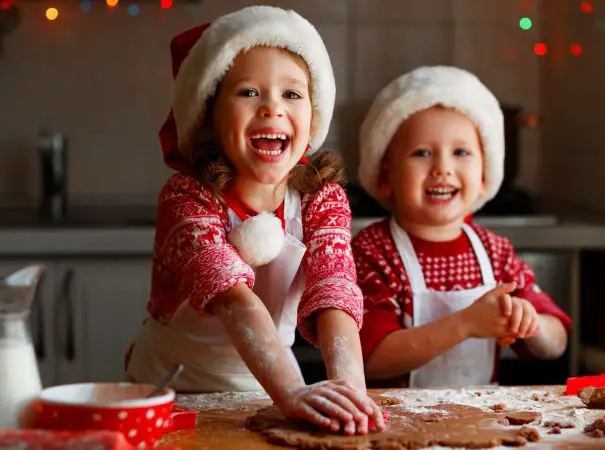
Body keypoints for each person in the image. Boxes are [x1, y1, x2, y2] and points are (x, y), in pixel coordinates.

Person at [125, 6, 383, 435]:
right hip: (174, 391)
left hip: (264, 389)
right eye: (248, 92)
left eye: (292, 94)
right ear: (208, 116)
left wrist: (350, 392)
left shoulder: (323, 198)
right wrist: (294, 393)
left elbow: (333, 290)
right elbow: (231, 297)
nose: (272, 109)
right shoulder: (187, 197)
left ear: (313, 117)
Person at [352, 66, 572, 389]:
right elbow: (371, 359)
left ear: (485, 176)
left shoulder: (496, 253)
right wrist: (466, 324)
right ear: (386, 176)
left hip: (481, 425)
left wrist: (532, 324)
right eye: (422, 153)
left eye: (461, 152)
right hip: (395, 427)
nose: (443, 168)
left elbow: (558, 342)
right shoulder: (372, 252)